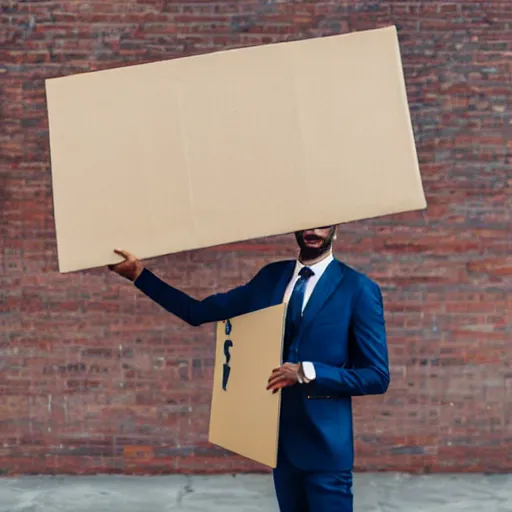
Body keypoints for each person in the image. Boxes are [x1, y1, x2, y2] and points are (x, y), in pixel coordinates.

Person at [109, 225, 390, 512]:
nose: (314, 230)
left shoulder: (358, 289)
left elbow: (377, 376)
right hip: (281, 445)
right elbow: (197, 313)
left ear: (336, 229)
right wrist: (139, 276)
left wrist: (308, 372)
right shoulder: (272, 277)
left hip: (327, 449)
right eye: (308, 221)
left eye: (323, 223)